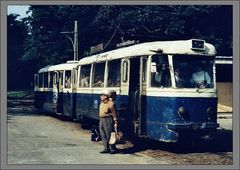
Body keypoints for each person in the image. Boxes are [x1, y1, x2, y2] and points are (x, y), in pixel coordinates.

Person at [99, 89, 118, 154]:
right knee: (103, 134)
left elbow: (114, 113)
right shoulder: (102, 102)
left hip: (108, 120)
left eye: (102, 95)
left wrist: (115, 122)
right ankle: (106, 148)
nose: (101, 96)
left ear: (106, 96)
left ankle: (112, 148)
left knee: (109, 135)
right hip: (101, 120)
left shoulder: (111, 104)